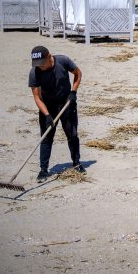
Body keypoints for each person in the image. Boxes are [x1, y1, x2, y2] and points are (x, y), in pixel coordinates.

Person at [28, 46, 84, 182]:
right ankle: (43, 170)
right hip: (47, 106)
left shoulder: (63, 61)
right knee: (46, 138)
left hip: (66, 103)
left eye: (42, 63)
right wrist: (47, 115)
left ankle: (76, 163)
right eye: (37, 64)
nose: (39, 66)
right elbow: (37, 97)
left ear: (49, 56)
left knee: (72, 134)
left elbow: (78, 73)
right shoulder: (34, 72)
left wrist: (73, 92)